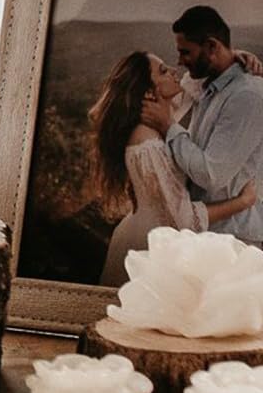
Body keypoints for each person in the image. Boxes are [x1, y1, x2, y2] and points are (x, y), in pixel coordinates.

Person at [92, 49, 256, 287]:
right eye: (163, 71)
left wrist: (230, 58)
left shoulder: (156, 117)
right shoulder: (147, 142)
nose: (173, 71)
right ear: (149, 92)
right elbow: (182, 218)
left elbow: (192, 88)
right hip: (150, 245)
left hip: (150, 234)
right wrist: (242, 202)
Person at [140, 4, 263, 248]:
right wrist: (235, 56)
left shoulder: (247, 96)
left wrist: (169, 127)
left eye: (186, 52)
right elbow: (182, 86)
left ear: (211, 47)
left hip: (235, 239)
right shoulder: (206, 85)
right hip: (205, 233)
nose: (180, 61)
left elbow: (211, 174)